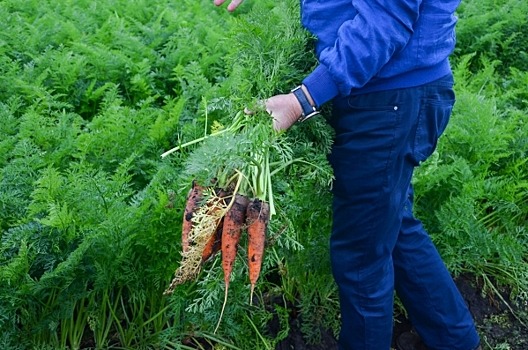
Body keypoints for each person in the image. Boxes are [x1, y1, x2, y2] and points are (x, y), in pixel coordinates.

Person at [214, 0, 482, 349]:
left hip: (387, 95)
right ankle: (455, 340)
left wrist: (303, 99)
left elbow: (386, 19)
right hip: (387, 90)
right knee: (390, 225)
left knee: (360, 259)